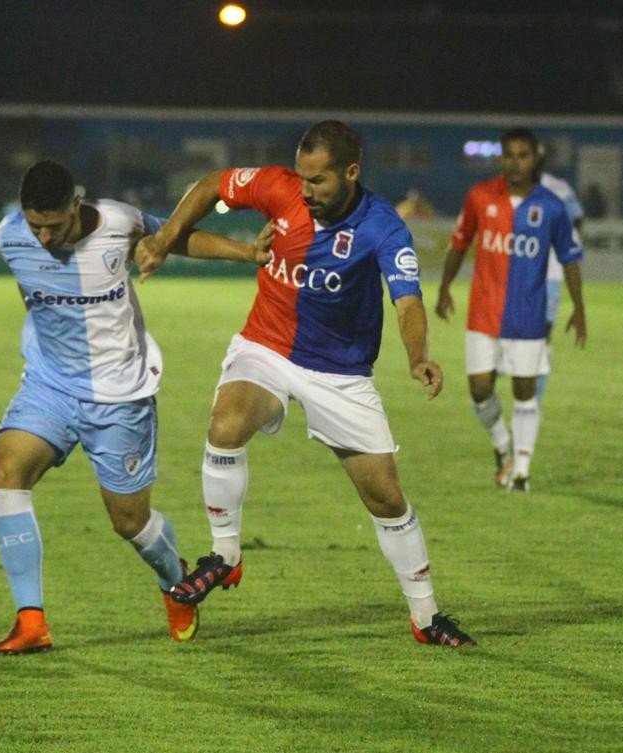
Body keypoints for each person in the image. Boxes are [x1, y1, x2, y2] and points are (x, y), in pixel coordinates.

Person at [138, 120, 475, 648]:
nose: (306, 190)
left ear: (351, 172)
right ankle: (225, 557)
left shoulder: (382, 226)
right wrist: (162, 239)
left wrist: (418, 357)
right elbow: (211, 185)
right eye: (301, 178)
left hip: (339, 373)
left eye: (318, 181)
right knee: (226, 425)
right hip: (266, 347)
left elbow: (407, 300)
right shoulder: (280, 187)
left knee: (386, 498)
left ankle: (426, 617)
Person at [0, 159, 270, 654]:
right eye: (36, 226)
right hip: (49, 386)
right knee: (7, 475)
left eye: (54, 226)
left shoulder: (120, 222)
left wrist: (245, 252)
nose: (45, 237)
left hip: (120, 396)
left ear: (77, 204)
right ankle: (31, 620)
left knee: (128, 521)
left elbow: (176, 237)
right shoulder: (11, 237)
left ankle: (174, 582)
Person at [435, 128, 586, 492]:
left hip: (529, 314)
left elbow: (570, 259)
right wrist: (444, 287)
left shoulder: (551, 205)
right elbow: (459, 243)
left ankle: (521, 469)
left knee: (524, 390)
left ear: (535, 158)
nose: (515, 162)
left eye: (523, 155)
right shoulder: (480, 196)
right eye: (509, 155)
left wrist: (579, 309)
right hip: (483, 311)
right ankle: (502, 445)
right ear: (500, 158)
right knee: (479, 389)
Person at [537, 166, 585, 402]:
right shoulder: (507, 187)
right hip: (518, 273)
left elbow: (577, 220)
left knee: (543, 334)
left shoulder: (558, 188)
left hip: (549, 274)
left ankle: (533, 402)